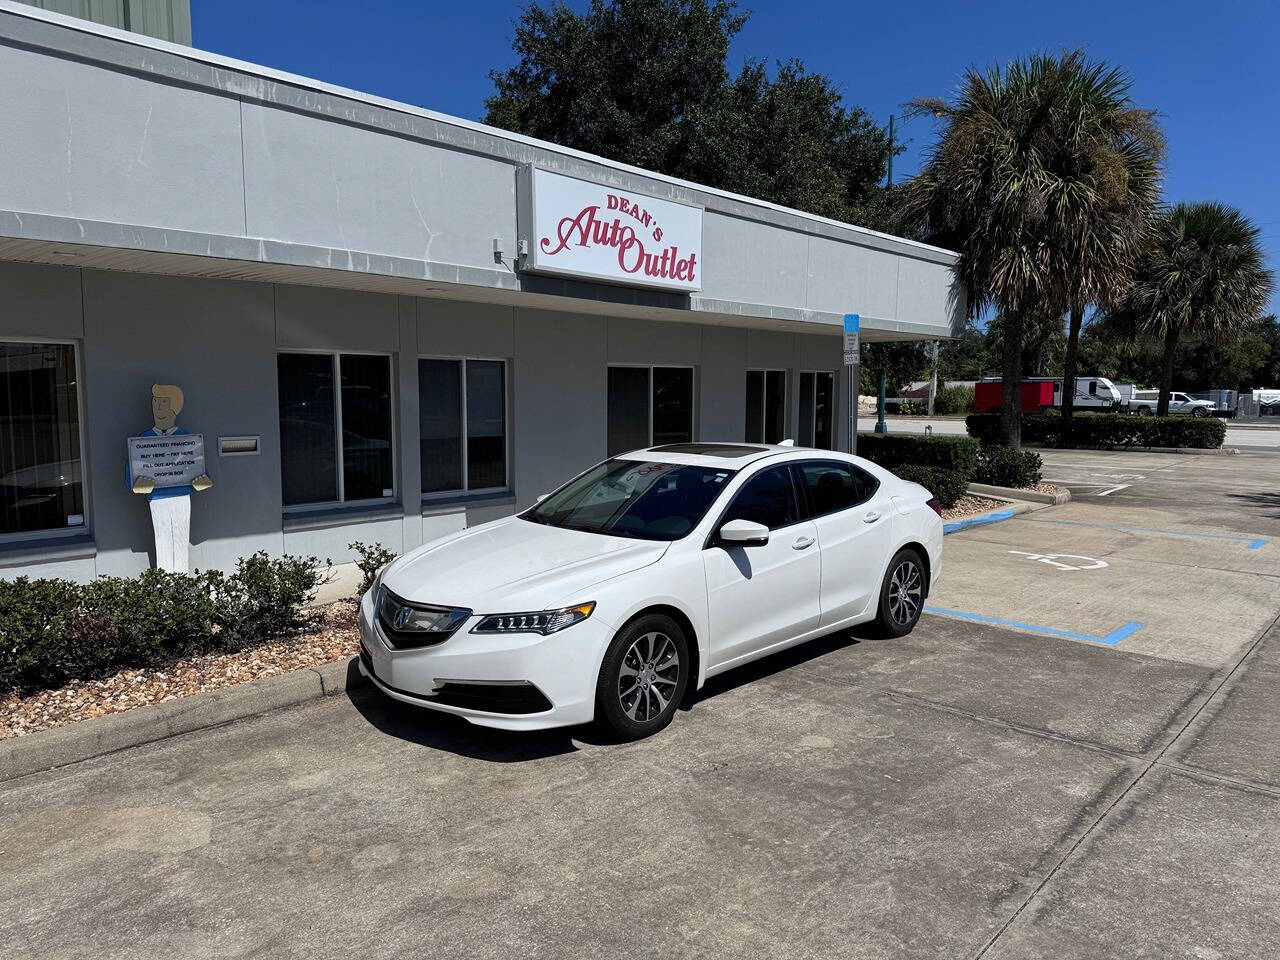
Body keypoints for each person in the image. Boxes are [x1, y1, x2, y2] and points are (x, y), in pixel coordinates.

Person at [127, 384, 212, 573]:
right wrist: (137, 484)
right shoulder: (144, 439)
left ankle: (181, 582)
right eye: (155, 402)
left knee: (181, 539)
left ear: (175, 408)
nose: (158, 407)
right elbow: (132, 471)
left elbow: (200, 470)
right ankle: (165, 583)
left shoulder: (186, 438)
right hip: (157, 499)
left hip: (182, 497)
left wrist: (202, 481)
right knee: (163, 539)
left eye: (164, 403)